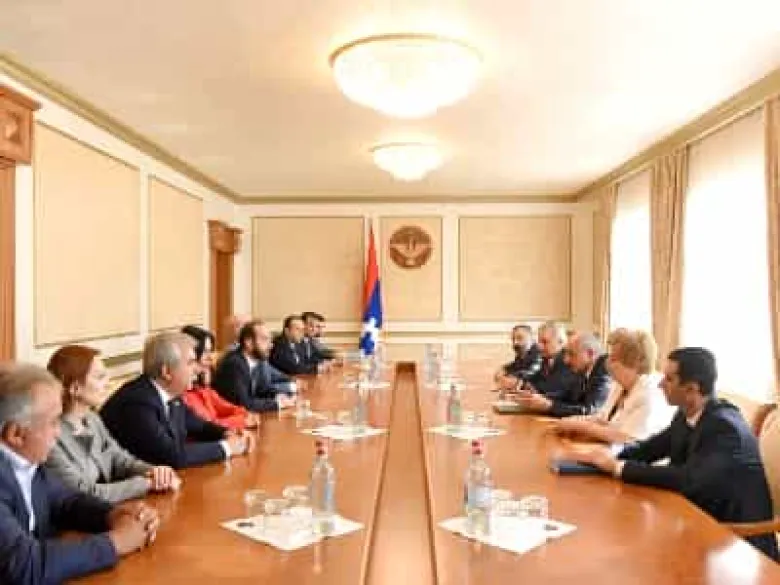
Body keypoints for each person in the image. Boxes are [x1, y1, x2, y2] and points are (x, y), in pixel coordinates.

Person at [561, 347, 779, 560]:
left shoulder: (724, 427)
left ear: (691, 389)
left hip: (737, 545)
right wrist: (602, 455)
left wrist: (617, 467)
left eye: (669, 379)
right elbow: (649, 449)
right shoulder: (686, 414)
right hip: (695, 520)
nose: (660, 384)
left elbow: (688, 479)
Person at [0, 363, 159, 585]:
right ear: (16, 434)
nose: (58, 433)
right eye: (53, 422)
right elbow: (26, 565)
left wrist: (114, 515)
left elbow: (67, 501)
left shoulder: (26, 461)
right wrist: (116, 542)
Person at [44, 345, 180, 503]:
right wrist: (147, 483)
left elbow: (121, 460)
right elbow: (85, 493)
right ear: (75, 388)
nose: (108, 383)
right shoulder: (49, 436)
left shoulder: (93, 419)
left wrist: (155, 472)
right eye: (100, 377)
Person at [100, 332, 253, 469]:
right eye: (190, 362)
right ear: (166, 372)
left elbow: (200, 426)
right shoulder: (138, 402)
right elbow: (171, 455)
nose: (197, 369)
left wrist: (228, 433)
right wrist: (227, 447)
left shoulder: (172, 397)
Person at [553, 329, 674, 443]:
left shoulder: (649, 393)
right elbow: (603, 418)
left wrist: (582, 427)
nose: (607, 363)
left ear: (633, 363)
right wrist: (573, 421)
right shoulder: (619, 386)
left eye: (613, 358)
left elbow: (627, 438)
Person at [180, 325, 260, 430]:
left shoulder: (202, 389)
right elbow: (208, 426)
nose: (210, 357)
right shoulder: (182, 395)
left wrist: (246, 415)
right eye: (205, 352)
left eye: (210, 351)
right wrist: (241, 421)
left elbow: (229, 408)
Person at [516, 332, 610, 417]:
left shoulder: (604, 368)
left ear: (590, 354)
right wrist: (537, 398)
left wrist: (549, 406)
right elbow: (570, 397)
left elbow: (590, 411)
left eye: (571, 354)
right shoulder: (583, 369)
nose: (566, 360)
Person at [213, 320, 297, 412]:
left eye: (270, 340)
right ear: (249, 342)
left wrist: (278, 396)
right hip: (228, 417)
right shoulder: (234, 364)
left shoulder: (256, 361)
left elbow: (262, 390)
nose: (271, 345)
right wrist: (278, 404)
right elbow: (243, 404)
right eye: (265, 339)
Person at [495, 324, 542, 390]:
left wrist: (513, 377)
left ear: (531, 339)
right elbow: (515, 365)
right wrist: (504, 369)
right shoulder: (523, 354)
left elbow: (534, 372)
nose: (515, 343)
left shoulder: (540, 353)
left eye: (520, 338)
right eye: (513, 339)